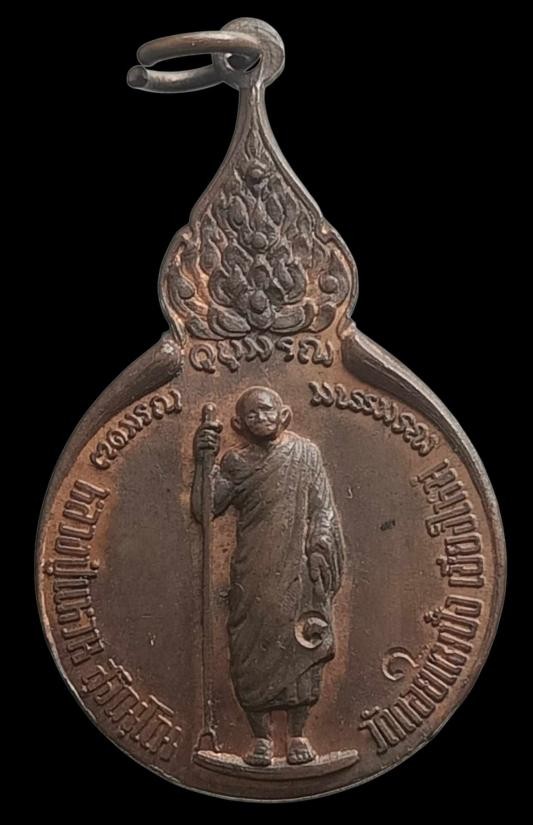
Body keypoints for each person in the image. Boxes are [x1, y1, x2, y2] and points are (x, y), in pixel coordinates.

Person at [192, 386, 345, 766]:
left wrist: (320, 548)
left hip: (300, 568)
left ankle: (297, 735)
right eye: (252, 414)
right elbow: (205, 510)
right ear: (238, 424)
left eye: (267, 410)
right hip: (254, 572)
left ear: (284, 415)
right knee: (250, 648)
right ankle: (261, 738)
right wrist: (202, 463)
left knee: (303, 644)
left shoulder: (306, 454)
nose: (261, 418)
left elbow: (323, 508)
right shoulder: (235, 462)